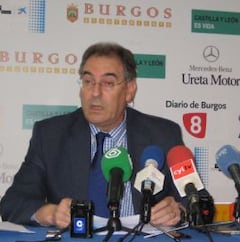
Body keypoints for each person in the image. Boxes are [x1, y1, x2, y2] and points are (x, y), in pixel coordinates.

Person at [0, 42, 185, 229]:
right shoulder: (50, 136)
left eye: (108, 83)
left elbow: (197, 202)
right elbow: (13, 202)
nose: (95, 93)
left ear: (129, 90)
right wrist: (51, 213)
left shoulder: (163, 135)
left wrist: (178, 210)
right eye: (88, 81)